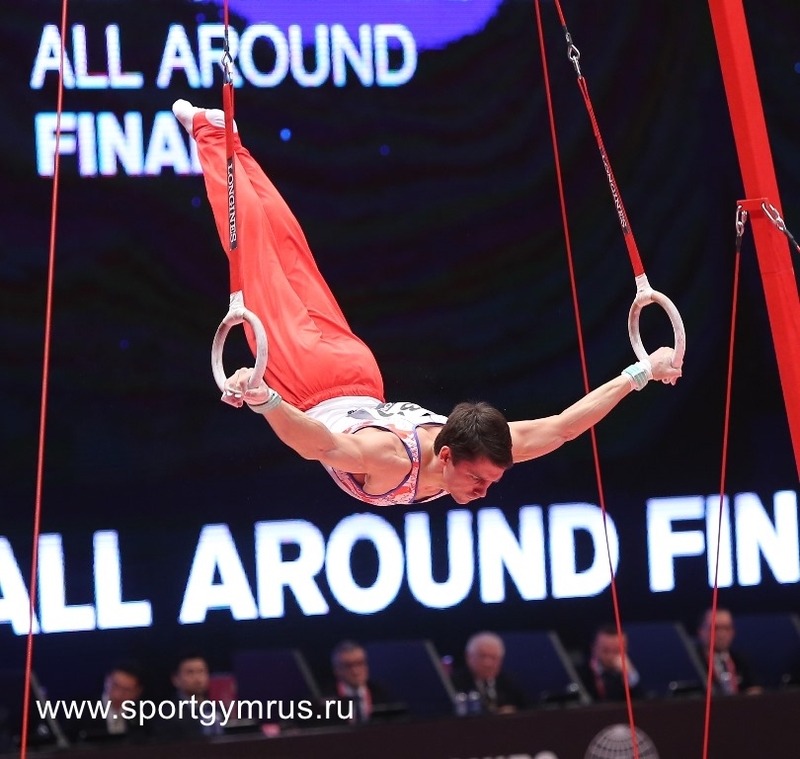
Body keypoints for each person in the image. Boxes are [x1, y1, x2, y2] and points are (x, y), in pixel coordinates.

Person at [172, 99, 683, 508]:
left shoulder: (475, 448)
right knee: (262, 259)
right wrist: (266, 399)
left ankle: (230, 142)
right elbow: (317, 445)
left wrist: (641, 373)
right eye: (480, 479)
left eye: (488, 481)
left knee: (289, 255)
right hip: (312, 382)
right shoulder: (389, 459)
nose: (484, 491)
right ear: (446, 455)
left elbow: (564, 428)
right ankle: (214, 137)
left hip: (358, 376)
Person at [321, 640, 400, 725]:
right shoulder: (326, 700)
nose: (355, 672)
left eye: (360, 663)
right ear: (336, 670)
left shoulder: (382, 694)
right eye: (348, 666)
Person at [450, 631, 528, 713]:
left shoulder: (510, 683)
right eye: (482, 656)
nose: (488, 663)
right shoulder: (453, 684)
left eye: (493, 657)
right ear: (468, 657)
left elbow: (528, 709)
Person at [696, 607, 763, 695]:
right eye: (715, 628)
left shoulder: (741, 659)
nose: (722, 634)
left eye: (726, 628)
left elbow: (755, 688)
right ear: (701, 631)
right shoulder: (694, 661)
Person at [577, 625, 644, 703]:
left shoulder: (634, 672)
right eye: (605, 651)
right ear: (594, 648)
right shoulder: (580, 673)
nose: (610, 656)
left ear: (626, 649)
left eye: (617, 651)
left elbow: (643, 703)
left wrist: (630, 675)